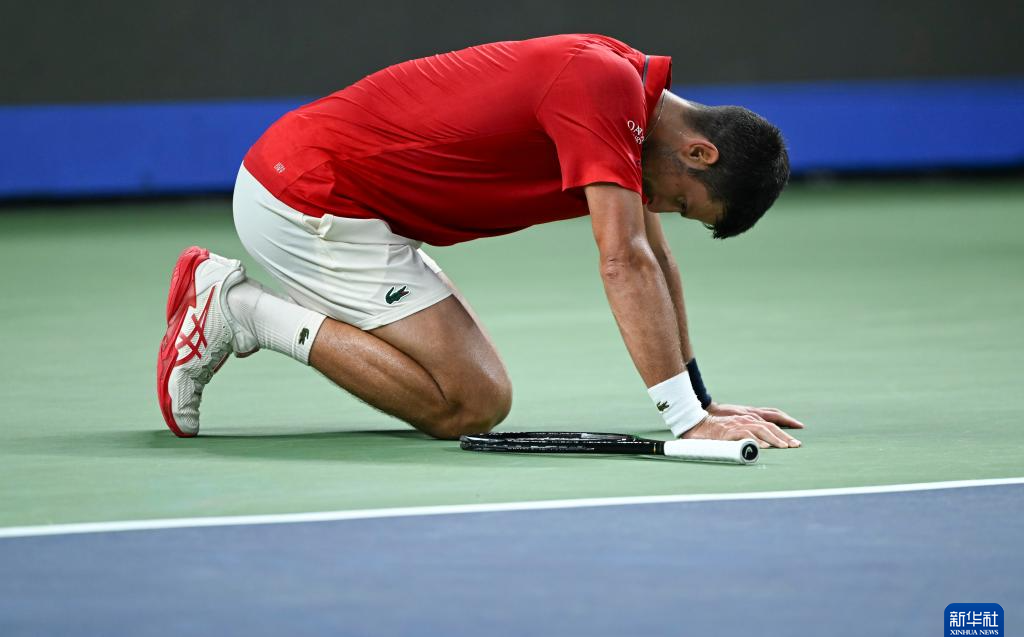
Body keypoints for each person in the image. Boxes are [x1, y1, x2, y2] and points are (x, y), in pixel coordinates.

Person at [157, 33, 804, 447]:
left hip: (351, 201)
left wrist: (700, 400)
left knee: (477, 396)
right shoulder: (602, 87)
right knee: (468, 405)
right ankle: (240, 309)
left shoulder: (626, 94)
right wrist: (686, 421)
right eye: (680, 201)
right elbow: (624, 261)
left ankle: (249, 306)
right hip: (309, 195)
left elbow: (655, 258)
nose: (658, 207)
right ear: (699, 151)